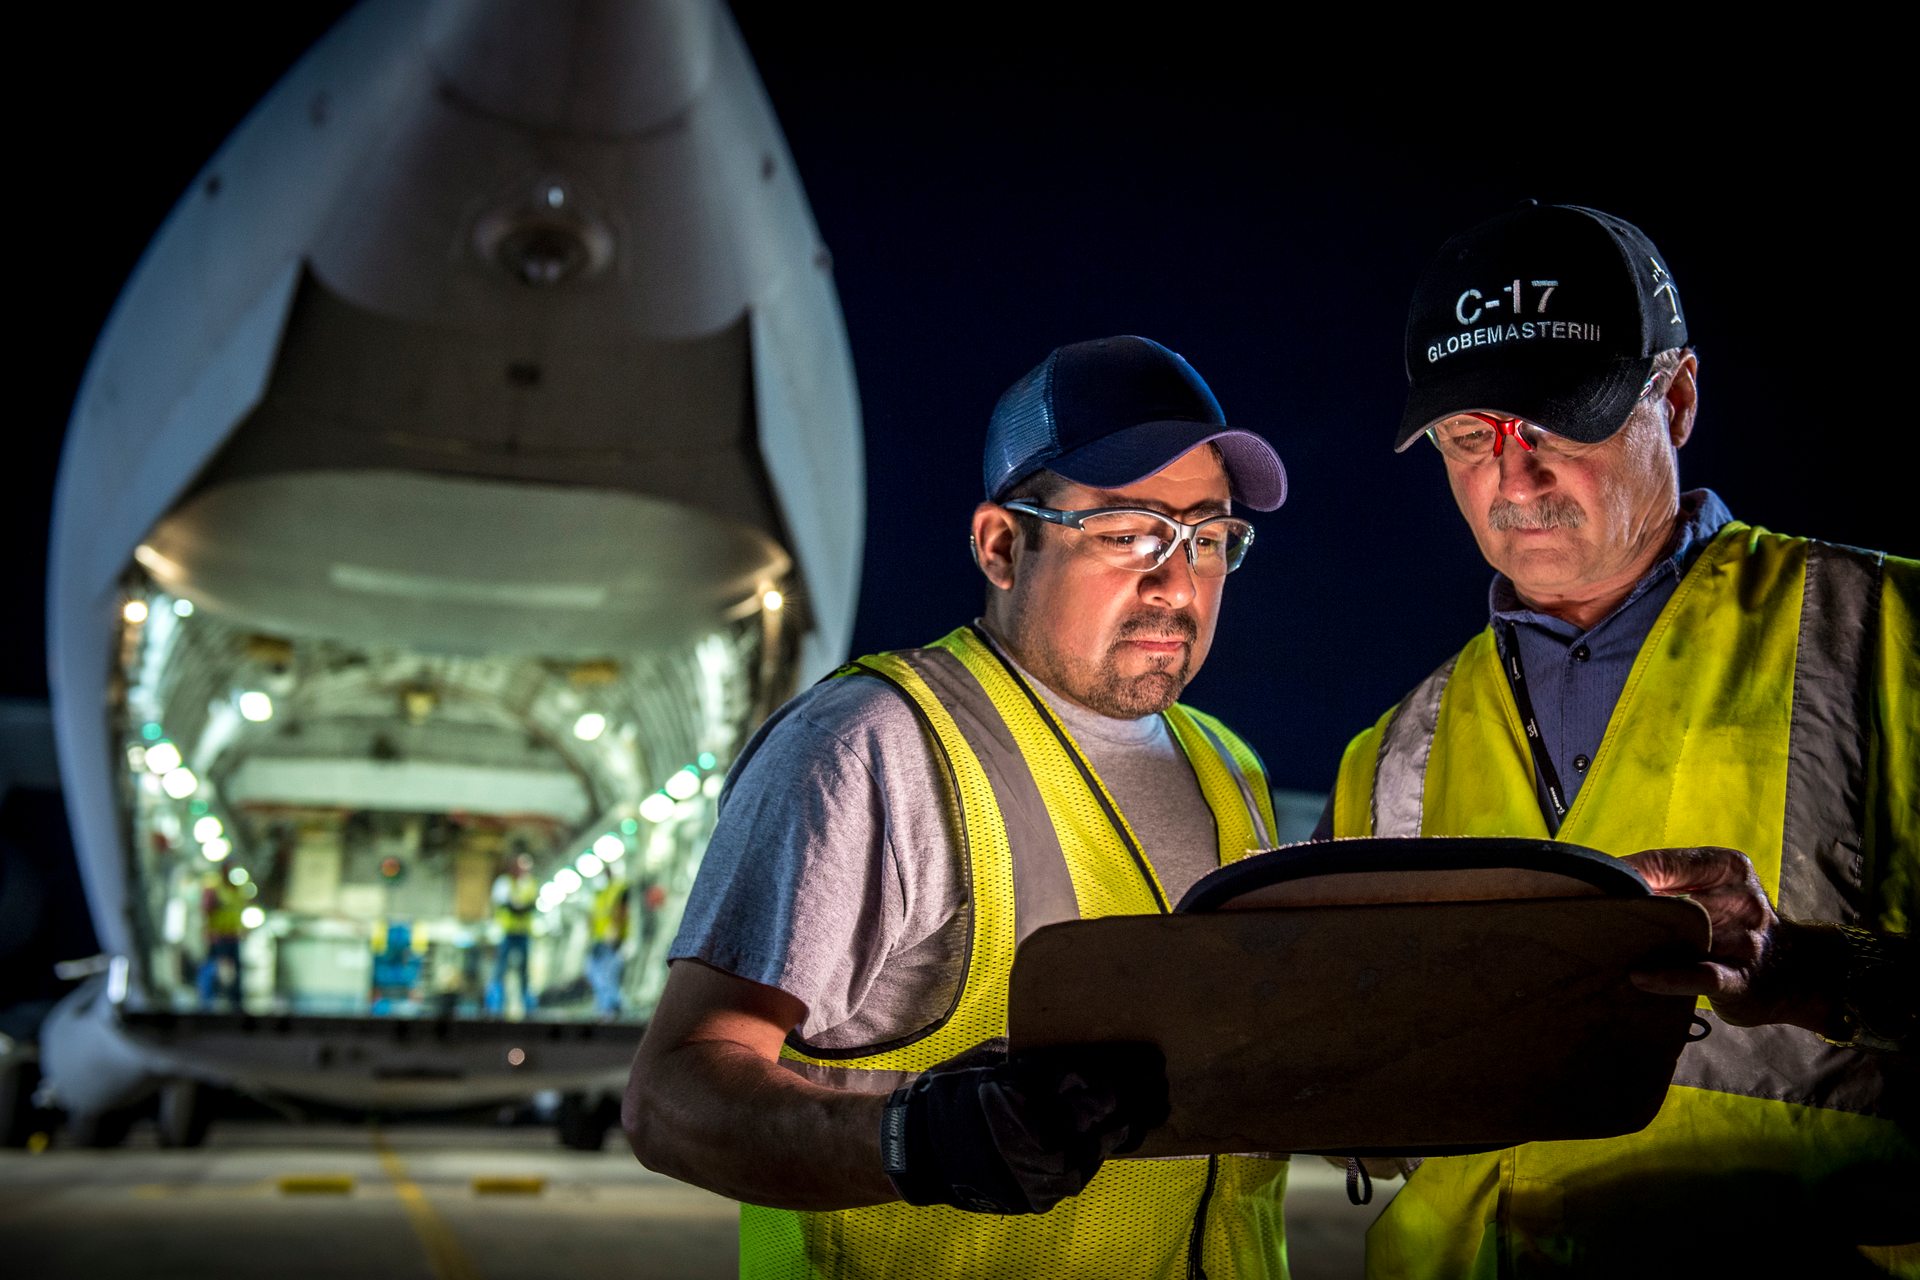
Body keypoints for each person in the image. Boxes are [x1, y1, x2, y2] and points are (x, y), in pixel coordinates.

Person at [624, 336, 1297, 1277]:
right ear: (1001, 544)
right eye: (1129, 532)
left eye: (1209, 539)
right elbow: (670, 1098)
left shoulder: (1230, 766)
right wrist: (916, 1145)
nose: (1177, 584)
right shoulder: (871, 749)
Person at [1327, 202, 1917, 1275]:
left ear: (1677, 397)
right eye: (1472, 440)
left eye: (1557, 425)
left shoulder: (1894, 640)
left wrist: (1817, 970)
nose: (1516, 480)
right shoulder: (1390, 754)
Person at [487, 853, 537, 1016]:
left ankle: (529, 1011)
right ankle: (495, 1009)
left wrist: (517, 907)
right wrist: (517, 907)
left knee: (525, 973)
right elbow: (504, 904)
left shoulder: (529, 884)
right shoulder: (503, 883)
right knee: (499, 972)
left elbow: (532, 904)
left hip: (524, 933)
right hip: (506, 933)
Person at [196, 871, 248, 1007]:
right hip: (218, 936)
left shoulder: (239, 888)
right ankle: (207, 1002)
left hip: (234, 936)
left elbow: (241, 910)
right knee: (213, 968)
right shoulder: (215, 887)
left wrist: (243, 930)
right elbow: (205, 908)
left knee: (236, 972)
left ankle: (236, 1004)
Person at [587, 875, 629, 1017]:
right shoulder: (599, 894)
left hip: (611, 938)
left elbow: (621, 911)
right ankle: (608, 1006)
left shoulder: (617, 889)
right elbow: (592, 917)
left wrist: (615, 932)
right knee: (599, 974)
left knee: (608, 973)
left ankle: (611, 1006)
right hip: (599, 939)